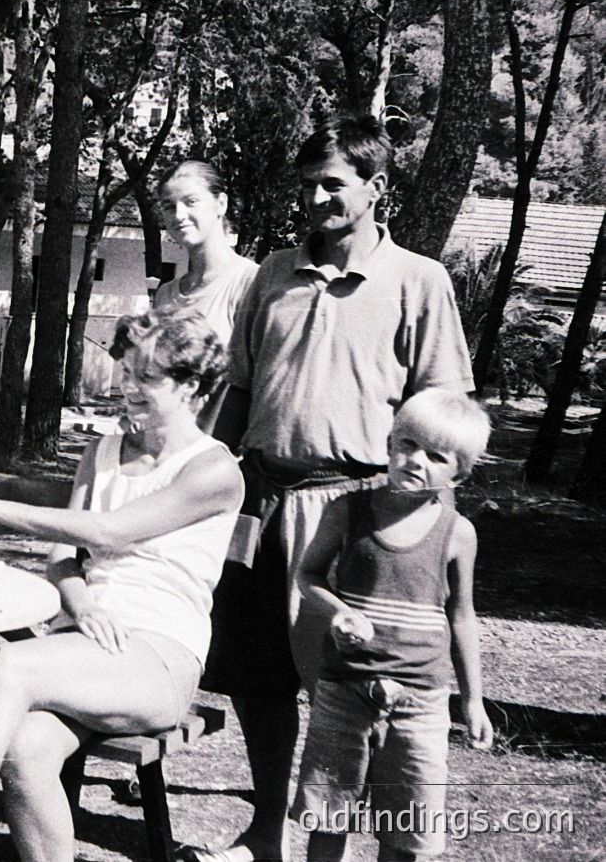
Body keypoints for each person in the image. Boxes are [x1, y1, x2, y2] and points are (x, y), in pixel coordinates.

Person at [195, 117, 476, 862]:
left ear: (377, 189)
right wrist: (201, 479)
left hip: (356, 508)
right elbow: (239, 392)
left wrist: (417, 523)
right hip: (260, 502)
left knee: (354, 693)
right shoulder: (272, 274)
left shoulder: (419, 281)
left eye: (335, 184)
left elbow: (445, 417)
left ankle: (358, 843)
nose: (317, 197)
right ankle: (264, 835)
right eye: (309, 183)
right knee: (259, 681)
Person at [0, 309, 243, 862]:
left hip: (159, 656)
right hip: (84, 645)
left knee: (9, 666)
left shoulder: (214, 471)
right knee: (27, 747)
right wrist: (81, 603)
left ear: (191, 387)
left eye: (146, 379)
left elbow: (107, 531)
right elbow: (62, 559)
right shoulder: (102, 450)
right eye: (126, 371)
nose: (128, 388)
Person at [291, 389, 492, 862]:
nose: (415, 460)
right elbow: (308, 574)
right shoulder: (346, 511)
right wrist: (337, 611)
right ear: (389, 441)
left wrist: (474, 699)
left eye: (436, 456)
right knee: (327, 812)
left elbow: (461, 614)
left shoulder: (457, 532)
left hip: (421, 700)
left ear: (458, 473)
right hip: (344, 690)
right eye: (407, 444)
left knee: (407, 824)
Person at [153, 161, 259, 430]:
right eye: (168, 206)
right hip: (169, 447)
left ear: (220, 204)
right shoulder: (166, 295)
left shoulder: (250, 282)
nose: (178, 215)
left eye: (191, 202)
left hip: (224, 451)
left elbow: (258, 383)